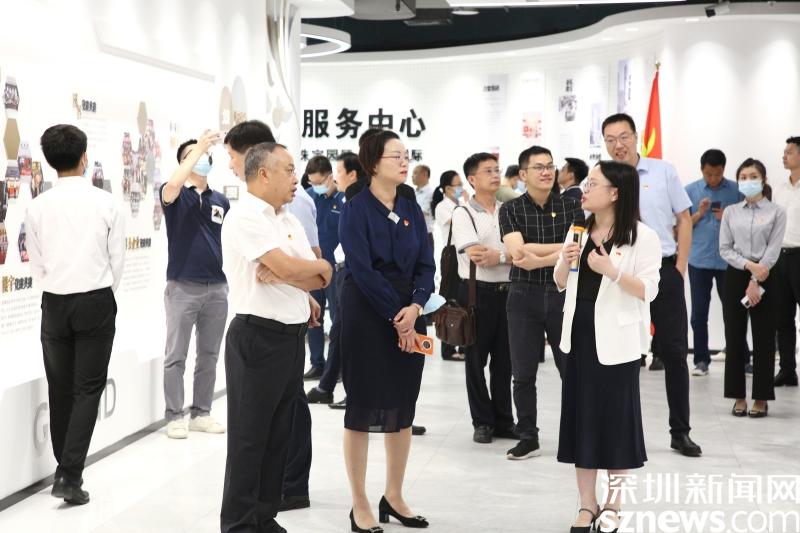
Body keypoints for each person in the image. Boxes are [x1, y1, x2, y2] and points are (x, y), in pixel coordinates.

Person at [220, 142, 331, 533]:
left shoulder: (289, 219)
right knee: (250, 437)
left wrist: (301, 272)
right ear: (263, 173)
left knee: (278, 433)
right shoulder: (246, 216)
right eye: (288, 169)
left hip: (291, 337)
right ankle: (239, 524)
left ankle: (264, 517)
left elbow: (321, 275)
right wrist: (299, 270)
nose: (295, 178)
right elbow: (296, 268)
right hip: (257, 337)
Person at [555, 160, 661, 533]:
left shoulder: (642, 236)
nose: (585, 189)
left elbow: (649, 289)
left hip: (617, 343)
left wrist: (612, 272)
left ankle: (614, 504)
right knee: (581, 421)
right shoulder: (579, 229)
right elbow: (560, 281)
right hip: (578, 338)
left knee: (616, 424)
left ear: (614, 193)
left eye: (593, 183)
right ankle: (587, 504)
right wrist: (566, 261)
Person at [339, 130, 435, 533]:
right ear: (373, 162)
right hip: (367, 315)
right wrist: (398, 315)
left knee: (402, 407)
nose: (404, 161)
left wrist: (415, 307)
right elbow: (361, 270)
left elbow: (426, 264)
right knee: (362, 408)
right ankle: (359, 502)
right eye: (396, 156)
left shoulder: (410, 205)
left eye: (406, 155)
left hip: (411, 313)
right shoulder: (355, 208)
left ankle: (393, 495)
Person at [26, 124, 125, 505]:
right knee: (88, 388)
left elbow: (35, 262)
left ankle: (65, 468)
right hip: (95, 300)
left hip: (54, 302)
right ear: (85, 158)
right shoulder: (107, 203)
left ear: (50, 162)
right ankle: (69, 474)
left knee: (60, 386)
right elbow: (117, 259)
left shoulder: (37, 206)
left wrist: (55, 287)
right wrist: (101, 291)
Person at [602, 112, 702, 458]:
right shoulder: (602, 177)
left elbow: (684, 218)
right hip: (619, 275)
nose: (618, 145)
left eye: (624, 137)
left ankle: (681, 432)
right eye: (610, 139)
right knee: (622, 353)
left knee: (674, 352)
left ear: (636, 137)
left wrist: (680, 267)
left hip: (663, 271)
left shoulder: (663, 171)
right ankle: (620, 430)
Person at [499, 145, 582, 460]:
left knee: (570, 370)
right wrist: (560, 250)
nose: (547, 172)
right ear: (523, 174)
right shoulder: (510, 209)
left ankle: (576, 434)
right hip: (523, 296)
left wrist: (539, 255)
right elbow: (518, 253)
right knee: (522, 373)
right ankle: (527, 436)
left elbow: (577, 251)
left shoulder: (572, 206)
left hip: (564, 294)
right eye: (539, 167)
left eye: (550, 166)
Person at [160, 132, 229, 439]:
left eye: (204, 155)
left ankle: (201, 412)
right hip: (182, 286)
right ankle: (174, 415)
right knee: (176, 355)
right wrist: (198, 147)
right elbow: (174, 185)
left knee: (209, 355)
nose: (202, 158)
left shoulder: (220, 201)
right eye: (194, 156)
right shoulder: (174, 193)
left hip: (217, 287)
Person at [452, 153, 515, 444]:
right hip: (476, 293)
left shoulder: (508, 210)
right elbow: (478, 255)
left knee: (505, 362)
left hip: (508, 293)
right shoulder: (463, 213)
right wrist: (509, 255)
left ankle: (504, 420)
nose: (495, 175)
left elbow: (523, 252)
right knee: (476, 361)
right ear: (472, 179)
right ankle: (482, 422)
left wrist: (501, 256)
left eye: (497, 170)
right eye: (488, 171)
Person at [720, 158, 786, 418]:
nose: (748, 181)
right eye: (743, 177)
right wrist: (749, 267)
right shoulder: (731, 212)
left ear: (763, 180)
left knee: (764, 338)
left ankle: (761, 397)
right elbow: (725, 249)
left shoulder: (777, 212)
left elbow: (773, 249)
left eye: (753, 176)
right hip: (736, 274)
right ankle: (738, 396)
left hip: (767, 275)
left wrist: (757, 279)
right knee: (734, 338)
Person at [307, 152, 366, 405]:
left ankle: (339, 385)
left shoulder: (351, 200)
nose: (316, 186)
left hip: (343, 271)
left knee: (343, 326)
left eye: (338, 172)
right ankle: (322, 374)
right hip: (319, 268)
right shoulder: (310, 198)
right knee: (328, 323)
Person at [684, 149, 743, 377]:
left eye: (718, 174)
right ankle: (701, 360)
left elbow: (746, 224)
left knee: (735, 312)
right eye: (709, 174)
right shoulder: (690, 191)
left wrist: (728, 217)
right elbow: (681, 227)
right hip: (699, 260)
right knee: (699, 314)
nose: (713, 178)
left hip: (729, 261)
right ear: (702, 170)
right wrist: (699, 213)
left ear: (724, 170)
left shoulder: (737, 191)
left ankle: (742, 360)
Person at [305, 155, 345, 381]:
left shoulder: (343, 199)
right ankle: (317, 363)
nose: (315, 186)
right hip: (312, 268)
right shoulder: (308, 198)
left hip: (336, 268)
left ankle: (336, 366)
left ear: (330, 177)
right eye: (311, 182)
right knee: (313, 318)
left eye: (319, 182)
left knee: (338, 319)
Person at [773, 136, 800, 387]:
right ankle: (787, 370)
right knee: (782, 318)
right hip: (780, 257)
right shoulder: (780, 189)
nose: (784, 155)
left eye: (789, 152)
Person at [433, 170, 466, 361]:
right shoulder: (442, 206)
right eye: (457, 184)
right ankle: (448, 347)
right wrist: (469, 204)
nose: (461, 188)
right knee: (449, 300)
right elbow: (460, 222)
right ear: (447, 188)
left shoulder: (460, 205)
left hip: (464, 254)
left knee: (463, 300)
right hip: (451, 256)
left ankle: (463, 344)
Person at [412, 164, 436, 251]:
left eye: (415, 173)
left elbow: (422, 213)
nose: (412, 176)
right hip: (411, 236)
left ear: (424, 174)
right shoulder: (413, 193)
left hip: (425, 237)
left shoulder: (432, 193)